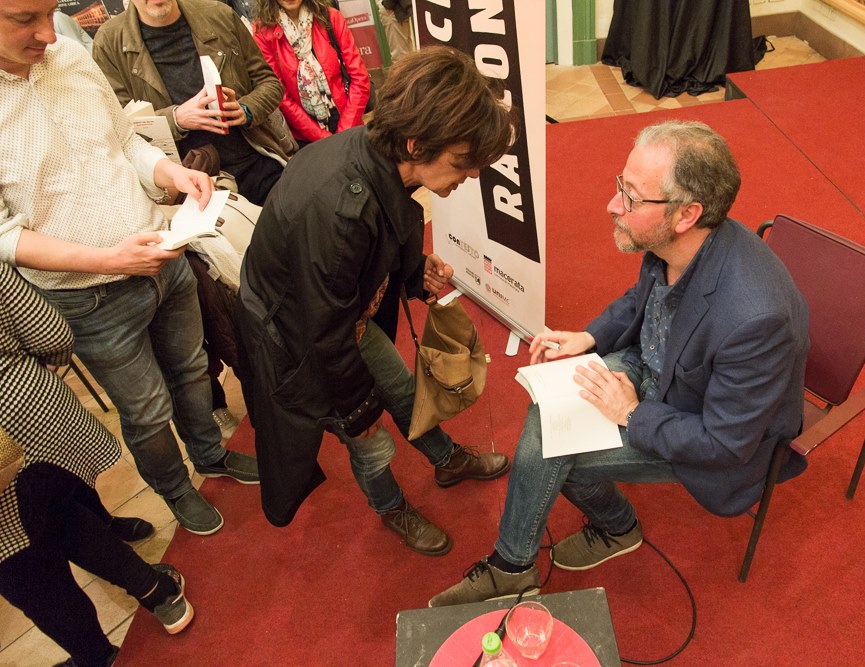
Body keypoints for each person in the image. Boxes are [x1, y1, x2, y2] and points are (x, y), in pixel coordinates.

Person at [429, 120, 810, 606]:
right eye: (619, 186)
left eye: (631, 196)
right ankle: (607, 531)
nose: (613, 205)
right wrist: (587, 337)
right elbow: (642, 300)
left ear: (686, 214)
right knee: (549, 414)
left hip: (697, 423)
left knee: (554, 451)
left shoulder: (756, 319)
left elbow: (726, 444)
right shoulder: (674, 243)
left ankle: (521, 564)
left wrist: (631, 413)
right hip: (653, 368)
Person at [236, 46, 516, 555]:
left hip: (341, 317)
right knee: (367, 436)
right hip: (302, 336)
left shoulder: (378, 156)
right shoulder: (339, 207)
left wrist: (413, 271)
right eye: (463, 161)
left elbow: (377, 233)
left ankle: (446, 461)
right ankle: (390, 506)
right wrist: (357, 409)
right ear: (416, 142)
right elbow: (324, 333)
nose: (472, 175)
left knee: (404, 393)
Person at [0, 0, 259, 538]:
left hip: (163, 255)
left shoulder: (71, 54)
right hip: (88, 295)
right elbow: (5, 236)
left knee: (193, 370)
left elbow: (123, 141)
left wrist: (170, 174)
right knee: (144, 410)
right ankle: (177, 491)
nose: (48, 34)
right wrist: (109, 259)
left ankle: (209, 456)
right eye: (25, 19)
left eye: (50, 13)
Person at [0, 262, 195, 667]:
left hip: (14, 455)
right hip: (36, 416)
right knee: (63, 514)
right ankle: (157, 592)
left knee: (32, 576)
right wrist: (43, 369)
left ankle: (96, 657)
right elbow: (49, 330)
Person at [92, 0, 290, 206]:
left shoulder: (219, 15)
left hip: (256, 161)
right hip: (192, 186)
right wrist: (176, 119)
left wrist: (246, 109)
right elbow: (121, 131)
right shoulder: (109, 42)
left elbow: (269, 83)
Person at [253, 0, 370, 147]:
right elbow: (281, 95)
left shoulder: (330, 17)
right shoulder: (263, 32)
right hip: (306, 136)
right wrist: (322, 137)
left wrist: (345, 130)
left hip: (347, 121)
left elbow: (359, 77)